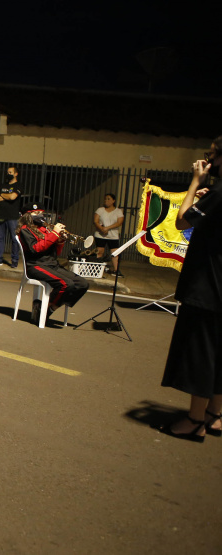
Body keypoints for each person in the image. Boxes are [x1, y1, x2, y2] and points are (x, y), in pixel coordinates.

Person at [159, 139, 222, 442]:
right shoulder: (217, 195)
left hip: (208, 285)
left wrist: (195, 182)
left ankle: (195, 420)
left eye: (211, 155)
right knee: (219, 353)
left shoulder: (219, 192)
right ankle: (214, 414)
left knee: (201, 352)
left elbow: (182, 221)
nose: (207, 160)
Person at [17, 203, 89, 323]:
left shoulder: (45, 229)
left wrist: (60, 240)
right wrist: (54, 234)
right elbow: (35, 248)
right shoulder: (25, 230)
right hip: (36, 265)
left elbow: (56, 252)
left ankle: (48, 309)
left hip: (51, 264)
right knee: (66, 284)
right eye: (36, 213)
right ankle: (44, 311)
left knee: (82, 284)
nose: (40, 215)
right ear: (27, 215)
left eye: (41, 213)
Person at [0, 166, 22, 267]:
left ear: (16, 174)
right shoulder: (3, 185)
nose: (8, 174)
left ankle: (14, 260)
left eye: (10, 172)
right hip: (1, 215)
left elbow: (13, 197)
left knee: (14, 239)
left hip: (12, 217)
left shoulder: (18, 185)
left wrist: (2, 195)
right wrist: (7, 196)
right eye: (7, 172)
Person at [93, 193, 124, 276]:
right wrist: (102, 229)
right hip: (100, 234)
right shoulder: (100, 210)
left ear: (113, 201)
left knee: (115, 252)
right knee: (100, 251)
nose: (106, 201)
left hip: (113, 235)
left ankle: (116, 270)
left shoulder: (118, 211)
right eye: (105, 199)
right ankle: (98, 269)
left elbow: (119, 222)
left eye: (108, 199)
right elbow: (96, 221)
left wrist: (107, 228)